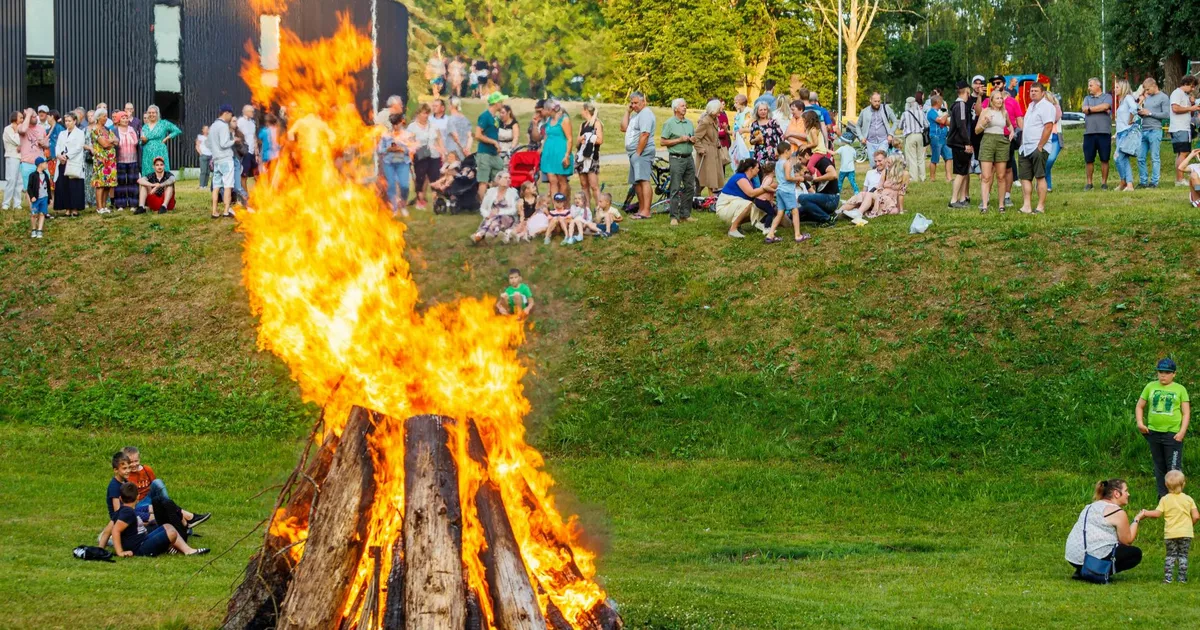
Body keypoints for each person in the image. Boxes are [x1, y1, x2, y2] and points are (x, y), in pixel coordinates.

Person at [1065, 479, 1145, 580]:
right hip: (1091, 557)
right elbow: (1127, 540)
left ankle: (1081, 571)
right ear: (1116, 493)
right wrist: (1137, 519)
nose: (1128, 494)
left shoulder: (1090, 506)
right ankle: (1097, 572)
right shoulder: (1117, 512)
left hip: (1073, 556)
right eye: (1126, 491)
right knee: (1135, 553)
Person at [1138, 357, 1191, 498]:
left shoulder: (1180, 389)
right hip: (1153, 433)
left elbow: (1186, 412)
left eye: (1167, 372)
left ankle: (1176, 497)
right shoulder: (1150, 386)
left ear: (1174, 374)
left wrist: (1182, 431)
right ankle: (1162, 497)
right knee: (1159, 465)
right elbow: (1140, 406)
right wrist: (1140, 423)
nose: (1163, 375)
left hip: (1172, 434)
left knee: (1173, 467)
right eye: (1160, 372)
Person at [110, 482, 208, 557]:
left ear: (120, 499)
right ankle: (185, 550)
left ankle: (187, 550)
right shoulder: (128, 512)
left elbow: (108, 530)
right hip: (139, 548)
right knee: (171, 533)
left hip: (143, 540)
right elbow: (115, 530)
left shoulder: (121, 511)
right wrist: (120, 552)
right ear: (138, 497)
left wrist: (102, 549)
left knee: (167, 526)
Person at [121, 446, 210, 527]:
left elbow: (155, 488)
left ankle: (170, 508)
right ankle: (187, 517)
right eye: (130, 462)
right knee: (159, 511)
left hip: (150, 498)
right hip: (137, 503)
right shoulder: (125, 475)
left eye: (136, 461)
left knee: (158, 482)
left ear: (139, 459)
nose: (134, 464)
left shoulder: (147, 470)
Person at [1138, 470, 1199, 583]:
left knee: (1170, 555)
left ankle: (1168, 579)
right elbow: (1196, 516)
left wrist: (1145, 513)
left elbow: (1157, 514)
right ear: (1183, 484)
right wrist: (1189, 526)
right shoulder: (1188, 499)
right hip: (1186, 533)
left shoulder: (1165, 499)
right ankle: (1182, 579)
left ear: (1166, 484)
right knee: (1183, 556)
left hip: (1171, 534)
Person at [1016, 83, 1055, 214]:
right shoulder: (1031, 106)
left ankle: (1040, 206)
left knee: (1039, 176)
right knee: (1025, 177)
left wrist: (1040, 146)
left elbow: (1048, 127)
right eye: (1031, 91)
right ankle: (1026, 205)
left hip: (1038, 147)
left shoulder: (1047, 106)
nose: (1032, 93)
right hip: (1025, 147)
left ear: (1043, 93)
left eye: (1036, 91)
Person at [975, 90, 1014, 213]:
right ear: (991, 100)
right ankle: (984, 205)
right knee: (986, 176)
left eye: (1001, 98)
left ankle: (1001, 205)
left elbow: (1010, 125)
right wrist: (985, 123)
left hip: (1001, 142)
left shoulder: (1004, 112)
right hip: (987, 140)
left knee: (1001, 176)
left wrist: (1012, 132)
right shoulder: (986, 111)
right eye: (997, 98)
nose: (1000, 100)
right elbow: (976, 130)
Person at [716, 159, 774, 238]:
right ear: (751, 169)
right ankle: (733, 230)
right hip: (724, 207)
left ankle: (738, 226)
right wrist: (766, 188)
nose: (759, 170)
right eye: (757, 168)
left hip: (733, 205)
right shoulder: (740, 177)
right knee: (747, 205)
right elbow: (751, 193)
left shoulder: (750, 180)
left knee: (760, 209)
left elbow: (756, 195)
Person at [661, 98, 697, 227]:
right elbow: (663, 142)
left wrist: (693, 140)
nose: (685, 108)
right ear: (675, 108)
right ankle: (674, 216)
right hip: (676, 158)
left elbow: (693, 138)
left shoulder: (689, 123)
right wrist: (679, 140)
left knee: (690, 187)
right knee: (675, 188)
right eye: (682, 106)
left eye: (685, 106)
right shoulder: (669, 123)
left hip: (689, 158)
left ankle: (685, 214)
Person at [622, 91, 657, 220]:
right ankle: (641, 210)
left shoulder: (645, 114)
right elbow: (623, 128)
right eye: (632, 103)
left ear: (644, 101)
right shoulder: (636, 115)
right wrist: (628, 112)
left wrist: (637, 153)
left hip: (642, 152)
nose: (634, 105)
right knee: (636, 182)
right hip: (634, 153)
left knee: (643, 180)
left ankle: (646, 211)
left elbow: (645, 134)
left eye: (636, 102)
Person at [408, 103, 447, 211]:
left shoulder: (433, 125)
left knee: (435, 178)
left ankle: (436, 203)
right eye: (424, 113)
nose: (426, 116)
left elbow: (439, 139)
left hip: (434, 155)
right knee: (420, 179)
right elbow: (409, 142)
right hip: (420, 155)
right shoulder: (412, 127)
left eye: (427, 113)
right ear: (418, 114)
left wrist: (443, 152)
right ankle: (420, 201)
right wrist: (414, 150)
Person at [771, 142, 811, 243]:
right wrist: (798, 179)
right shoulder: (787, 163)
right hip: (787, 190)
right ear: (786, 151)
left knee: (780, 213)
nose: (791, 153)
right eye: (790, 151)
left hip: (780, 190)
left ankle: (770, 234)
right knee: (795, 211)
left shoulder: (778, 163)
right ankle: (798, 235)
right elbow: (788, 177)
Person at [1135, 78, 1171, 188]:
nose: (1146, 91)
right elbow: (1145, 112)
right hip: (1144, 130)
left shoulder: (1163, 97)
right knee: (1140, 157)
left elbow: (1166, 115)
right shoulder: (1147, 97)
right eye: (1145, 90)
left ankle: (1154, 182)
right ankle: (1143, 181)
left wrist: (1149, 113)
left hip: (1155, 130)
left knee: (1155, 157)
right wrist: (1141, 113)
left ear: (1154, 86)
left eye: (1148, 89)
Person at [474, 92, 508, 201]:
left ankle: (495, 202)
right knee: (483, 181)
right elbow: (478, 135)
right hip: (484, 153)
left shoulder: (495, 118)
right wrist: (493, 142)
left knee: (499, 178)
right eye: (501, 101)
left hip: (494, 154)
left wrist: (496, 145)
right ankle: (483, 206)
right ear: (495, 103)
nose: (502, 103)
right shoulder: (485, 116)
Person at [795, 147, 840, 227]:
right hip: (823, 199)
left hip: (831, 199)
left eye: (800, 159)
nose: (799, 162)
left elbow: (833, 175)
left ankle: (828, 219)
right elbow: (816, 178)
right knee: (796, 213)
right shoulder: (812, 165)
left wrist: (817, 179)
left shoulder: (822, 161)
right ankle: (825, 215)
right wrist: (804, 177)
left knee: (802, 198)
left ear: (806, 155)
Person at [378, 112, 413, 218]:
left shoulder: (407, 135)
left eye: (397, 124)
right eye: (394, 124)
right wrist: (388, 149)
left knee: (404, 186)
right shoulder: (386, 135)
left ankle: (403, 204)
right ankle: (394, 207)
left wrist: (402, 149)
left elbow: (412, 148)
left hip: (403, 163)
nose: (395, 126)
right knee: (391, 186)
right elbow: (380, 149)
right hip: (389, 163)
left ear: (401, 123)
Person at [538, 99, 574, 198]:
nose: (543, 111)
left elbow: (569, 138)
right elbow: (546, 135)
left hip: (560, 153)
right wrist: (542, 148)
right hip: (549, 153)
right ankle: (555, 205)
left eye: (544, 109)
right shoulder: (549, 120)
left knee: (562, 180)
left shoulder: (564, 119)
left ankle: (561, 203)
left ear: (550, 110)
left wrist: (567, 155)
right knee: (552, 181)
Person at [1082, 78, 1113, 190]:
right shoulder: (1087, 98)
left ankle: (1104, 183)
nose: (1089, 88)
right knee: (1089, 159)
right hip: (1089, 132)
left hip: (1104, 132)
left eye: (1091, 85)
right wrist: (1098, 109)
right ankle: (1089, 183)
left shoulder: (1107, 97)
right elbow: (1084, 109)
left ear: (1098, 86)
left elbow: (1106, 106)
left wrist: (1090, 109)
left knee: (1104, 158)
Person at [471, 171, 519, 244]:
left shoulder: (513, 192)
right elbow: (483, 208)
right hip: (491, 218)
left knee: (497, 217)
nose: (508, 180)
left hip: (508, 218)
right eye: (506, 178)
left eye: (509, 178)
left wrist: (499, 212)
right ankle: (490, 234)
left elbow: (514, 210)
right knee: (494, 219)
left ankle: (480, 234)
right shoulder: (490, 192)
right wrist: (488, 215)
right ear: (498, 180)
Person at [947, 81, 975, 208]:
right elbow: (962, 125)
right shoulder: (961, 105)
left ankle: (963, 198)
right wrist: (967, 142)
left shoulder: (957, 105)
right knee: (961, 172)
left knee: (964, 171)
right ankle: (954, 200)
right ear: (967, 91)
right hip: (960, 143)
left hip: (958, 142)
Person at [53, 112, 86, 218]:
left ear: (74, 121)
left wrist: (67, 156)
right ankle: (67, 209)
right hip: (62, 162)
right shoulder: (62, 133)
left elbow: (78, 147)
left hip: (73, 162)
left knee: (74, 185)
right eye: (66, 121)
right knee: (64, 185)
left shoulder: (80, 133)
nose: (67, 123)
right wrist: (59, 155)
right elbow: (58, 145)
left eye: (69, 121)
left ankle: (75, 209)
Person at [1170, 76, 1200, 187]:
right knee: (1183, 153)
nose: (1193, 89)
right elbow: (1175, 109)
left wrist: (1192, 105)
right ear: (1186, 83)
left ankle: (1179, 178)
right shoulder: (1177, 93)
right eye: (1192, 86)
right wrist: (1191, 108)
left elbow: (1189, 112)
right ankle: (1180, 179)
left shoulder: (1185, 95)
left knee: (1181, 153)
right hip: (1179, 127)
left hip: (1184, 128)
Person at [208, 104, 237, 219]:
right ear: (226, 113)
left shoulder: (213, 126)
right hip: (226, 159)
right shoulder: (224, 126)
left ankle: (214, 211)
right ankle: (226, 211)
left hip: (216, 160)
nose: (231, 117)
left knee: (216, 186)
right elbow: (224, 144)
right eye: (231, 115)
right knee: (228, 186)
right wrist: (233, 140)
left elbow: (210, 143)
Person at [138, 105, 181, 177]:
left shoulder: (163, 123)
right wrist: (143, 141)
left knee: (161, 172)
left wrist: (166, 138)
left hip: (160, 151)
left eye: (153, 113)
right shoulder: (145, 127)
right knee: (148, 173)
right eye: (149, 113)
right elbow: (141, 142)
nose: (151, 114)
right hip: (147, 153)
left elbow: (177, 130)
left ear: (157, 113)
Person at [18, 108, 48, 207]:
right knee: (29, 188)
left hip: (41, 163)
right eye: (33, 116)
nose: (36, 118)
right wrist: (29, 114)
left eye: (35, 116)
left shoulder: (41, 128)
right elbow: (23, 130)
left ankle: (43, 210)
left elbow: (47, 144)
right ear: (27, 117)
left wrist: (44, 144)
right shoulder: (21, 127)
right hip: (27, 163)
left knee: (44, 186)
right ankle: (34, 209)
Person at [693, 99, 725, 196]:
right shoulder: (705, 122)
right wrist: (700, 149)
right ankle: (706, 199)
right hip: (706, 153)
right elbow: (696, 138)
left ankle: (708, 198)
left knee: (712, 179)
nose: (721, 111)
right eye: (719, 109)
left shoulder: (715, 120)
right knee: (707, 179)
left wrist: (717, 142)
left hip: (714, 152)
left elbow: (714, 135)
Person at [576, 103, 603, 210]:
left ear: (586, 110)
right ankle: (586, 209)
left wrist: (588, 138)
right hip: (581, 157)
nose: (581, 112)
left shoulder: (596, 123)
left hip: (591, 157)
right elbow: (577, 142)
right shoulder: (582, 125)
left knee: (594, 185)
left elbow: (600, 140)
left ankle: (600, 208)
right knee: (584, 185)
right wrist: (580, 139)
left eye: (582, 109)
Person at [1114, 80, 1139, 192]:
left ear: (1123, 88)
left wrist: (1131, 120)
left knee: (1117, 157)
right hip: (1120, 133)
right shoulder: (1122, 101)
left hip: (1126, 132)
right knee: (1123, 159)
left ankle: (1124, 182)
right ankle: (1128, 184)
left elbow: (1134, 108)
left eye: (1117, 87)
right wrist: (1116, 133)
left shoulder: (1128, 98)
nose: (1115, 89)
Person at [112, 112, 140, 211]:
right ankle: (120, 204)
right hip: (120, 160)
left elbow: (136, 142)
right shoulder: (114, 130)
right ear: (118, 120)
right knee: (120, 183)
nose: (125, 120)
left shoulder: (132, 129)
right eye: (123, 118)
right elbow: (114, 144)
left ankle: (133, 204)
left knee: (133, 182)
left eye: (126, 118)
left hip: (133, 160)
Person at [90, 109, 117, 213]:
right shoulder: (95, 129)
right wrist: (111, 142)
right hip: (101, 161)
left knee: (107, 184)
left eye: (106, 116)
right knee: (100, 184)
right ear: (98, 117)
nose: (106, 118)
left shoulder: (107, 129)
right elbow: (105, 145)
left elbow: (117, 141)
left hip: (110, 160)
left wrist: (111, 141)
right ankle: (99, 207)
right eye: (104, 116)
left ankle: (104, 206)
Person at [857, 93, 897, 159]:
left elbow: (895, 121)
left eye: (879, 101)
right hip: (870, 142)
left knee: (881, 161)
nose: (877, 103)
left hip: (883, 141)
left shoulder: (886, 108)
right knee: (873, 163)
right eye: (875, 101)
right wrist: (861, 137)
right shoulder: (864, 111)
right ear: (870, 100)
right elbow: (858, 125)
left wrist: (891, 134)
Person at [900, 96, 927, 182]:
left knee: (912, 157)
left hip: (910, 136)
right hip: (919, 135)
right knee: (920, 157)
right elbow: (926, 124)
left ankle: (914, 178)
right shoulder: (921, 112)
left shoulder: (905, 114)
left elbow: (900, 126)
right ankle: (922, 177)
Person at [926, 94, 952, 183]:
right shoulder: (931, 112)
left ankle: (949, 178)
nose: (942, 103)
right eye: (941, 101)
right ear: (937, 102)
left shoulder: (940, 112)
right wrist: (947, 113)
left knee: (949, 157)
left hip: (944, 137)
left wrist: (945, 116)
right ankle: (932, 178)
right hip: (935, 137)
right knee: (935, 158)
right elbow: (941, 120)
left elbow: (947, 123)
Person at [1042, 92, 1064, 193]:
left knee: (1050, 159)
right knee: (1045, 160)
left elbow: (1053, 119)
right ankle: (1047, 185)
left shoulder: (1056, 108)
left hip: (1055, 136)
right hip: (1044, 136)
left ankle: (1041, 178)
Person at [3, 111, 25, 210]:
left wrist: (21, 145)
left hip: (21, 157)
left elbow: (23, 142)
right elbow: (17, 141)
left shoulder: (21, 129)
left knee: (19, 181)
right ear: (15, 118)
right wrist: (16, 132)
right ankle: (6, 203)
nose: (22, 119)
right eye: (20, 117)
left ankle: (17, 203)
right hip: (12, 156)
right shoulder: (8, 129)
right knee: (11, 180)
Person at [236, 105, 258, 191]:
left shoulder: (253, 123)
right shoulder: (240, 122)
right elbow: (236, 134)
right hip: (245, 152)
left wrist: (256, 152)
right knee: (244, 175)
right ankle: (245, 194)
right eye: (251, 111)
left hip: (253, 152)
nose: (253, 113)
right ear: (245, 112)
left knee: (257, 175)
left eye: (253, 111)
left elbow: (254, 137)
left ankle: (257, 194)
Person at [27, 157, 50, 238]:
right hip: (36, 198)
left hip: (44, 197)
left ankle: (40, 230)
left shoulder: (46, 175)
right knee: (34, 214)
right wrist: (32, 196)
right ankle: (34, 229)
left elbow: (48, 187)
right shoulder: (32, 175)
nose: (47, 165)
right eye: (45, 163)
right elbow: (29, 187)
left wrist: (49, 197)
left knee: (42, 213)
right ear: (40, 164)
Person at [195, 124, 212, 189]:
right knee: (203, 171)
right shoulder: (200, 137)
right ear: (203, 130)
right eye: (206, 129)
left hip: (210, 156)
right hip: (203, 155)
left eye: (208, 129)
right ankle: (201, 185)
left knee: (208, 171)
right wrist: (200, 153)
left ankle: (205, 185)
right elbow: (197, 145)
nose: (207, 130)